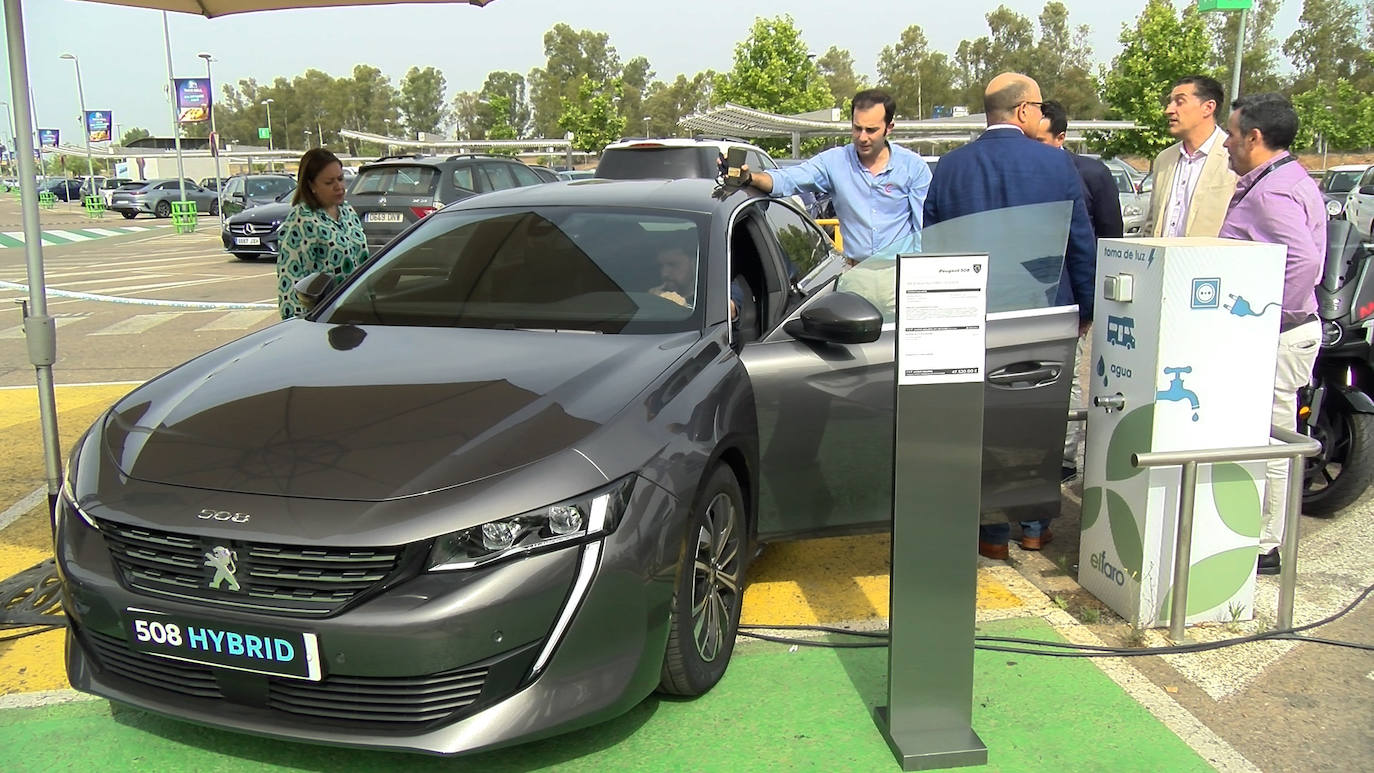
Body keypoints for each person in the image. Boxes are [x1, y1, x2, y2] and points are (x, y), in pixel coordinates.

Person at [923, 72, 1096, 561]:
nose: (1042, 115)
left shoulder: (950, 168)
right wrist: (1084, 308)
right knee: (1037, 421)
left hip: (972, 313)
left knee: (981, 424)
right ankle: (1036, 527)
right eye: (1039, 107)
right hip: (1043, 312)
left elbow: (934, 247)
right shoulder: (1055, 163)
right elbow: (1078, 240)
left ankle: (991, 534)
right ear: (1023, 111)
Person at [1217, 93, 1325, 576]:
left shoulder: (1271, 191)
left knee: (1276, 440)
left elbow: (1303, 261)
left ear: (1254, 138)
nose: (1226, 145)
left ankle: (1266, 543)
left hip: (1280, 337)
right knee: (1269, 436)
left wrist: (1265, 318)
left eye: (1232, 135)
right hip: (1279, 333)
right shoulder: (1285, 178)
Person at [1037, 99, 1124, 484]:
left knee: (1067, 378)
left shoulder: (1091, 174)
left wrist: (1091, 305)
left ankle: (1065, 458)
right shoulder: (1028, 172)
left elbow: (1109, 239)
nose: (1032, 148)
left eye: (1040, 140)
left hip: (1072, 300)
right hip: (1028, 295)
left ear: (1061, 137)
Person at [737, 89, 931, 259]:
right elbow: (787, 179)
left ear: (889, 128)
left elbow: (925, 229)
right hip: (857, 276)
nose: (862, 137)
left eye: (871, 130)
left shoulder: (913, 168)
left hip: (899, 274)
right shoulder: (834, 163)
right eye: (857, 128)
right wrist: (750, 177)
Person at [275, 148, 368, 319]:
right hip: (324, 320)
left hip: (357, 314)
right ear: (311, 185)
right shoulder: (301, 220)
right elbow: (290, 283)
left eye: (340, 179)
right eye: (329, 182)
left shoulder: (348, 211)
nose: (338, 186)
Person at [1147, 75, 1237, 238]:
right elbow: (1151, 224)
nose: (1169, 110)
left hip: (1209, 261)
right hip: (1162, 261)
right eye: (1170, 102)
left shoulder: (1235, 157)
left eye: (1179, 102)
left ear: (1208, 108)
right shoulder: (1164, 159)